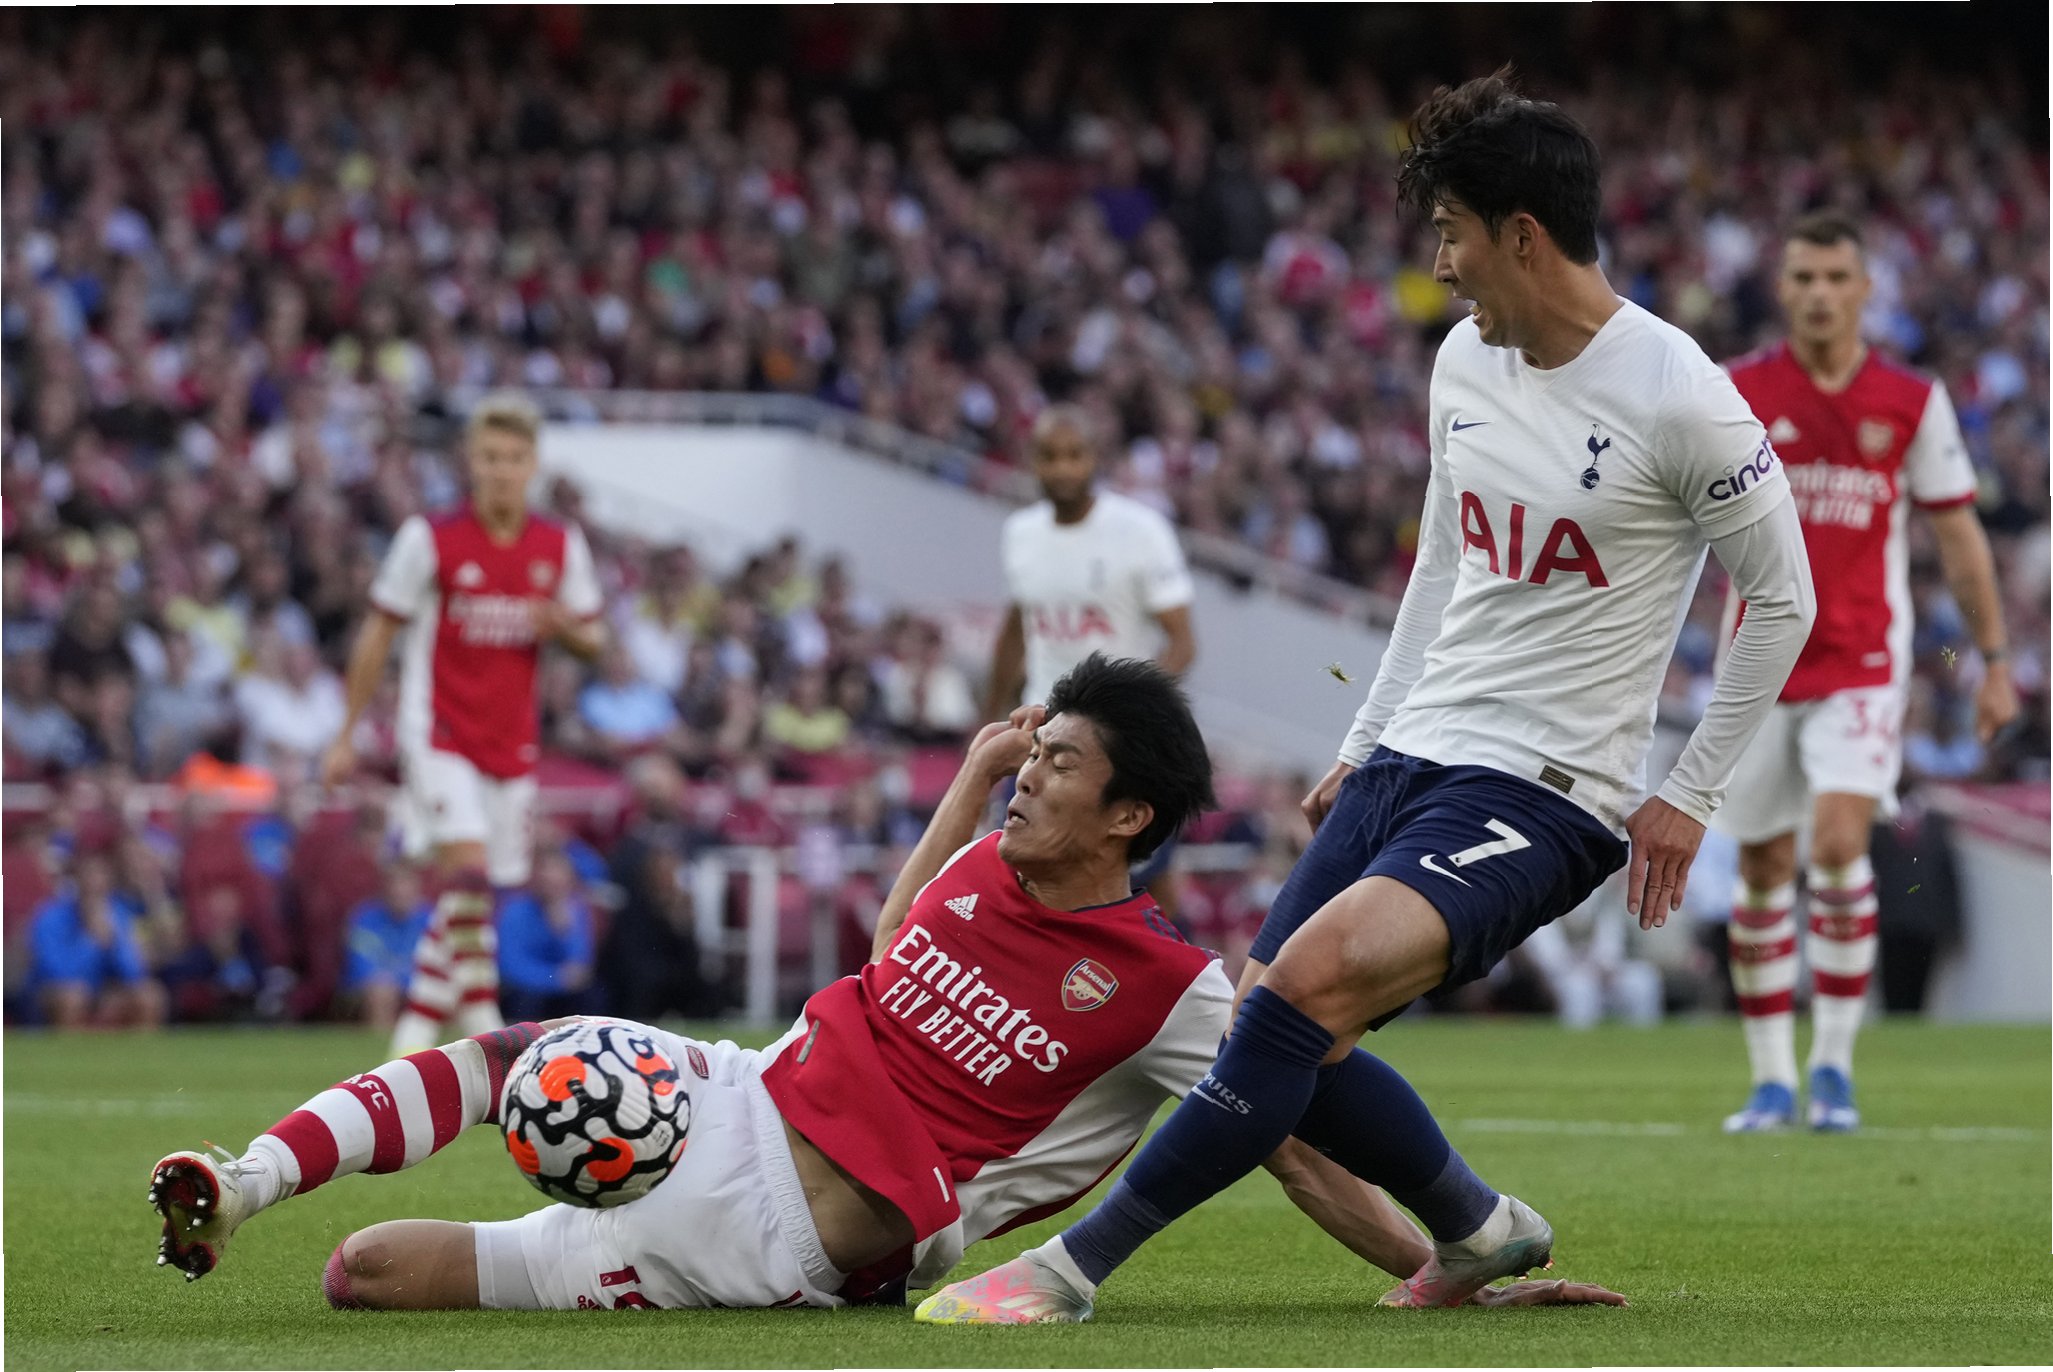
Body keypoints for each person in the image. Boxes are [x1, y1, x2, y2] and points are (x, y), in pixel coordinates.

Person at [917, 69, 1816, 1325]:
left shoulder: (1680, 395)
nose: (1438, 266)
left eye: (1449, 233)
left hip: (1547, 787)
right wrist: (1365, 737)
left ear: (1521, 234)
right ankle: (1481, 1229)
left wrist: (1690, 792)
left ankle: (1069, 1272)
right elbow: (1441, 567)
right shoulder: (1464, 361)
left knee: (1298, 989)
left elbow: (1783, 597)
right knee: (1278, 1021)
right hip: (1414, 749)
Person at [148, 656, 1620, 1313]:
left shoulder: (1171, 990)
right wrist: (970, 777)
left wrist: (1427, 1266)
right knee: (475, 1097)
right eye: (1032, 755)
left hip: (780, 1238)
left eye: (1057, 764)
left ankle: (1477, 1233)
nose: (1029, 776)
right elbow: (893, 946)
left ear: (1129, 817)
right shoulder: (987, 862)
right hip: (733, 1088)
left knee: (385, 1261)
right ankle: (244, 1181)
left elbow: (1291, 1141)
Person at [1712, 211, 2018, 1134]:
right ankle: (1771, 1080)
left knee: (1840, 842)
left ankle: (1833, 1069)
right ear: (1782, 288)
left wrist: (1992, 661)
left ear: (1863, 289)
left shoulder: (1909, 400)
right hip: (1755, 664)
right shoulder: (1736, 392)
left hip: (1862, 660)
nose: (1818, 294)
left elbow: (1958, 537)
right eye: (1802, 277)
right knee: (1764, 864)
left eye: (1835, 278)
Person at [320, 392, 605, 1055]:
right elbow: (378, 632)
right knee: (470, 878)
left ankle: (416, 1043)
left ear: (532, 464)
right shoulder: (430, 539)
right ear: (469, 462)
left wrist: (561, 626)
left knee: (472, 900)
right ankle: (481, 1045)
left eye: (513, 458)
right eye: (489, 457)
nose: (501, 470)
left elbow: (594, 638)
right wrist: (346, 732)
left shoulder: (559, 545)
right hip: (438, 731)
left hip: (512, 743)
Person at [985, 405, 1200, 918]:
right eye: (1049, 456)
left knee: (1140, 892)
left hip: (1116, 745)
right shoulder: (1020, 532)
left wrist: (1136, 720)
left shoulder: (1140, 530)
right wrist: (989, 718)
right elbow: (1016, 628)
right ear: (1032, 460)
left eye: (1074, 455)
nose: (1063, 468)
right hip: (1040, 733)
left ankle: (1192, 969)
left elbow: (1182, 642)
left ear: (1094, 458)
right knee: (1023, 884)